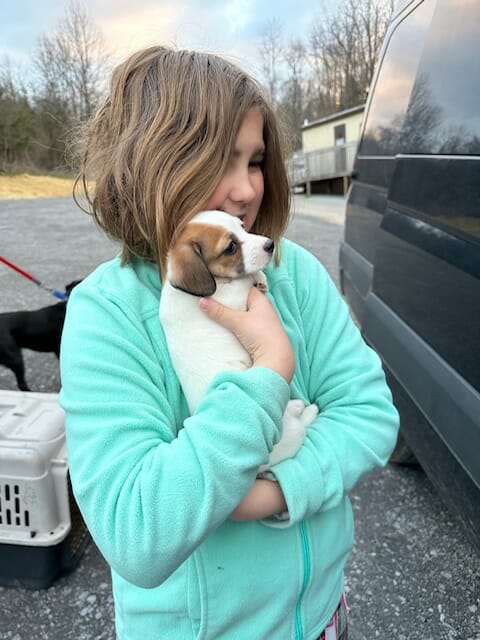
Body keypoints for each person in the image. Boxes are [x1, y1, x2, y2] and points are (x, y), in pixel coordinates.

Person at [60, 45, 399, 640]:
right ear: (152, 163)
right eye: (223, 161)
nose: (246, 191)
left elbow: (370, 413)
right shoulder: (106, 313)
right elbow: (137, 533)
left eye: (257, 160)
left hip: (321, 617)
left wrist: (268, 496)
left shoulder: (294, 274)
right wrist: (268, 372)